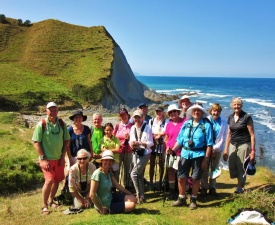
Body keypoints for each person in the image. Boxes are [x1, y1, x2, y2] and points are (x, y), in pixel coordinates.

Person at [169, 104, 213, 209]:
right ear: (191, 112)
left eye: (198, 110)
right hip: (184, 154)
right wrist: (173, 150)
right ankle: (181, 198)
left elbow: (209, 144)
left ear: (202, 113)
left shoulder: (206, 125)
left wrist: (206, 159)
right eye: (194, 110)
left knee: (195, 179)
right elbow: (180, 140)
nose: (196, 112)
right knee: (180, 177)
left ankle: (193, 199)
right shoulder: (187, 123)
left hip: (199, 155)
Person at [32, 102, 70, 215]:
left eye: (55, 110)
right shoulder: (42, 124)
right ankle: (44, 206)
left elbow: (67, 140)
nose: (53, 112)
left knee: (57, 180)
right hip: (47, 159)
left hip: (58, 159)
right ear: (46, 111)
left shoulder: (62, 123)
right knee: (49, 180)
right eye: (50, 110)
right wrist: (43, 159)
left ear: (57, 111)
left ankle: (51, 201)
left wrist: (63, 156)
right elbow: (36, 142)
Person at [223, 97, 256, 194]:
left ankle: (240, 187)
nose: (236, 106)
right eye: (234, 104)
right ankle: (239, 183)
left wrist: (253, 151)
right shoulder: (230, 117)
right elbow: (229, 134)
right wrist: (225, 149)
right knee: (232, 166)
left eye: (238, 104)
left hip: (244, 144)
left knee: (241, 166)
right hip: (233, 144)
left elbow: (252, 135)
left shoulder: (246, 117)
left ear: (241, 105)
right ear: (231, 106)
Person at [89, 150, 137, 214]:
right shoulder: (97, 174)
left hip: (110, 197)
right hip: (104, 205)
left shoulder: (109, 172)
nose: (108, 162)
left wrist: (129, 193)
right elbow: (92, 195)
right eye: (106, 160)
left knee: (133, 199)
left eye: (110, 160)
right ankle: (107, 210)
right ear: (102, 161)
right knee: (132, 205)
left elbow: (117, 185)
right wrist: (101, 209)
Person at [200, 103, 228, 196]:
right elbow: (203, 134)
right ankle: (203, 187)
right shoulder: (205, 120)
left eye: (218, 111)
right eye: (214, 110)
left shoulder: (223, 122)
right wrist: (209, 148)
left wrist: (215, 149)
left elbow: (223, 137)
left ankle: (212, 188)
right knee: (204, 169)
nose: (216, 113)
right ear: (211, 111)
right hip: (206, 148)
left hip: (217, 149)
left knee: (214, 168)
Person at [129, 109, 154, 203]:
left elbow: (151, 143)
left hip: (145, 153)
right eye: (135, 117)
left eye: (139, 117)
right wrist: (131, 143)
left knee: (133, 173)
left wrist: (140, 143)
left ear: (142, 117)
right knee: (138, 175)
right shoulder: (133, 128)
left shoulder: (147, 127)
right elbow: (131, 139)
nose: (137, 119)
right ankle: (142, 196)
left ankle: (138, 195)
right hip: (136, 152)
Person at [164, 104, 186, 200]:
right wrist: (167, 147)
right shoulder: (168, 124)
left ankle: (180, 191)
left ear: (178, 112)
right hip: (170, 152)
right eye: (171, 112)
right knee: (171, 170)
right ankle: (172, 190)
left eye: (174, 111)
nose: (173, 113)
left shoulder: (184, 122)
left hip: (181, 151)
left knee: (180, 172)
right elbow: (166, 138)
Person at [148, 106, 169, 191]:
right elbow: (149, 131)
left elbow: (166, 132)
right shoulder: (151, 121)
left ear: (163, 112)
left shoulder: (166, 121)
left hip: (161, 145)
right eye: (157, 111)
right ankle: (151, 182)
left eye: (160, 111)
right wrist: (156, 135)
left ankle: (160, 181)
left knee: (161, 164)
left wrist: (159, 135)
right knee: (152, 164)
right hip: (153, 144)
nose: (158, 113)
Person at [113, 108, 133, 188]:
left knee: (127, 169)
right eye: (121, 115)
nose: (123, 116)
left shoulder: (132, 126)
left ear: (128, 115)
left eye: (125, 114)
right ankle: (116, 186)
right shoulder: (117, 126)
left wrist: (130, 137)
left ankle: (126, 186)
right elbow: (113, 137)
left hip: (129, 151)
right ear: (119, 117)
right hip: (118, 151)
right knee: (117, 169)